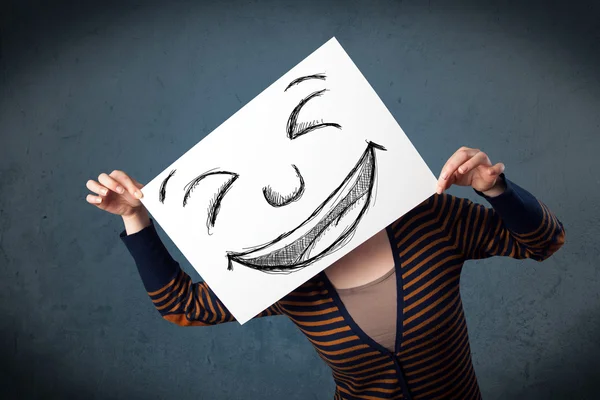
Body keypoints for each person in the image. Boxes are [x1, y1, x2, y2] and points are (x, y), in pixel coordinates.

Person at [85, 146, 565, 400]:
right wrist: (135, 215)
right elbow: (181, 306)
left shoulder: (428, 218)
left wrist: (495, 188)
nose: (288, 185)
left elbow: (545, 241)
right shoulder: (277, 275)